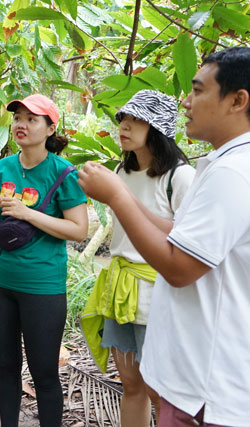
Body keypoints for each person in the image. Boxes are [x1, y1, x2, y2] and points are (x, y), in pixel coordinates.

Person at [78, 47, 250, 426]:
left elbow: (179, 266)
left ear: (238, 100)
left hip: (208, 386)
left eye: (199, 91)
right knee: (132, 384)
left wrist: (116, 197)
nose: (187, 102)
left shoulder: (231, 175)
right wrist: (120, 193)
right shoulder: (232, 165)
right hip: (201, 376)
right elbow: (182, 235)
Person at [80, 90, 195, 427]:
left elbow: (186, 238)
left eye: (136, 120)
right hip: (121, 289)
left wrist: (121, 198)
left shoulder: (181, 176)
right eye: (123, 119)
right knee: (131, 384)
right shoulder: (121, 170)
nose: (124, 126)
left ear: (157, 128)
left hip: (159, 291)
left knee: (160, 390)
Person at [0, 94, 88, 427]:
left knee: (44, 374)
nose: (21, 125)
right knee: (7, 369)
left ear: (50, 128)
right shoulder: (2, 167)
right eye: (17, 118)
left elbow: (78, 229)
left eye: (31, 119)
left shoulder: (64, 172)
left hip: (42, 287)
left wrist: (28, 214)